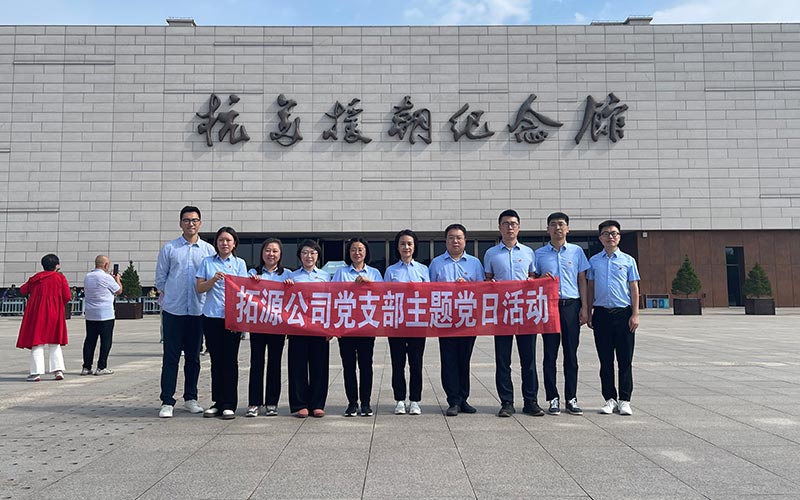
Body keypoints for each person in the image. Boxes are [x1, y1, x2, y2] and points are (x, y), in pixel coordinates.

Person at [155, 206, 215, 418]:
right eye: (187, 220)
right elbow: (160, 278)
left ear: (200, 223)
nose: (191, 223)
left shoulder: (208, 250)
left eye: (195, 220)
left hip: (198, 310)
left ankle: (191, 397)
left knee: (193, 357)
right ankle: (167, 401)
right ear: (181, 223)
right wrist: (170, 297)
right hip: (174, 310)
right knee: (170, 357)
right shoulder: (170, 248)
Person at [484, 209, 542, 418]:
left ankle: (530, 401)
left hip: (526, 313)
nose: (510, 227)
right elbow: (487, 281)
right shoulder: (491, 253)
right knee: (503, 360)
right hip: (502, 313)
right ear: (499, 227)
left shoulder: (528, 252)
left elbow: (533, 278)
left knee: (529, 359)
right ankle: (506, 402)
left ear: (519, 227)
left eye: (513, 224)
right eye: (506, 223)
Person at [534, 212, 591, 415]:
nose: (557, 228)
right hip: (549, 307)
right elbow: (532, 281)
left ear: (568, 228)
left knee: (571, 353)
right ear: (547, 229)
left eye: (561, 224)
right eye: (553, 224)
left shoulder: (576, 252)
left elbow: (582, 280)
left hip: (571, 305)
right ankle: (553, 398)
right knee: (550, 354)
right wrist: (540, 278)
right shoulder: (539, 254)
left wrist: (585, 307)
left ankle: (571, 398)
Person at [429, 224, 484, 416]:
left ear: (465, 241)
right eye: (451, 237)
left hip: (468, 319)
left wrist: (467, 286)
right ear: (446, 241)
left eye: (459, 237)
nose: (455, 241)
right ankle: (452, 400)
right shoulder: (437, 263)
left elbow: (482, 290)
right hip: (445, 319)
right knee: (449, 360)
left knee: (464, 359)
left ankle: (463, 399)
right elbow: (429, 291)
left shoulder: (474, 263)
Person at [587, 220, 640, 416]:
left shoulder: (628, 260)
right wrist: (588, 311)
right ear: (600, 238)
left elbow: (634, 288)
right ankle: (609, 399)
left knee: (625, 360)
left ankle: (625, 400)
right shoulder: (594, 261)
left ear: (619, 237)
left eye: (614, 233)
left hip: (623, 314)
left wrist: (635, 314)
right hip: (601, 314)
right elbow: (590, 288)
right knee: (605, 360)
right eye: (606, 233)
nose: (610, 236)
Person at [196, 227, 248, 420]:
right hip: (211, 316)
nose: (224, 243)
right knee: (216, 361)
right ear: (216, 243)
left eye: (228, 240)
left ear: (234, 244)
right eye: (221, 240)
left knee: (230, 361)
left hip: (232, 318)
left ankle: (229, 404)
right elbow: (199, 288)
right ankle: (217, 402)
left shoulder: (239, 263)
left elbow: (244, 290)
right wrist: (213, 280)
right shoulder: (207, 262)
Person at [332, 237, 383, 417]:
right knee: (348, 366)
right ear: (349, 252)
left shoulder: (374, 273)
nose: (357, 253)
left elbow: (384, 295)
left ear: (366, 252)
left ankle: (366, 403)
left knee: (366, 365)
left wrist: (370, 283)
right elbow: (333, 295)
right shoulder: (341, 272)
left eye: (360, 249)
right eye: (353, 249)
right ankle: (352, 403)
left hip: (366, 325)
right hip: (346, 326)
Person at [245, 238, 293, 418]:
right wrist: (251, 283)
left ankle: (272, 402)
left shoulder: (287, 274)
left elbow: (294, 297)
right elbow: (243, 293)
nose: (271, 254)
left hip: (277, 325)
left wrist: (290, 287)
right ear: (262, 253)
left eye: (275, 251)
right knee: (256, 363)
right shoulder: (253, 272)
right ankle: (254, 403)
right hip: (257, 325)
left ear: (280, 254)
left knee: (275, 363)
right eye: (267, 250)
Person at [384, 229, 429, 416]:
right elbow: (385, 296)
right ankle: (400, 400)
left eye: (409, 243)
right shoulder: (391, 271)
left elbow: (430, 295)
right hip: (397, 324)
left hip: (417, 323)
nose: (406, 247)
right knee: (398, 363)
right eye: (402, 243)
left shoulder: (423, 270)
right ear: (397, 247)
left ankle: (415, 400)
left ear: (414, 246)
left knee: (416, 364)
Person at [286, 240, 332, 418]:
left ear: (318, 256)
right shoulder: (292, 277)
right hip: (297, 327)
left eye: (313, 253)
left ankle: (317, 404)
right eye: (305, 253)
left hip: (319, 327)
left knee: (319, 367)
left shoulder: (326, 277)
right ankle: (300, 404)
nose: (309, 256)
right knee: (297, 366)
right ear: (299, 256)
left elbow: (332, 302)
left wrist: (330, 327)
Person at [16, 254, 71, 382]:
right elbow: (67, 296)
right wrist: (58, 304)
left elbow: (23, 290)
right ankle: (58, 370)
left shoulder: (36, 278)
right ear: (57, 265)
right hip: (55, 312)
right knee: (54, 342)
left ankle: (36, 373)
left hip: (37, 313)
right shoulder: (60, 278)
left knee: (37, 342)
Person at [81, 255, 122, 376]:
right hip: (105, 313)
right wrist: (117, 279)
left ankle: (86, 366)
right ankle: (101, 366)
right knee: (105, 340)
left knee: (90, 340)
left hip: (91, 313)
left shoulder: (88, 276)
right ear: (106, 265)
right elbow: (118, 290)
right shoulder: (106, 277)